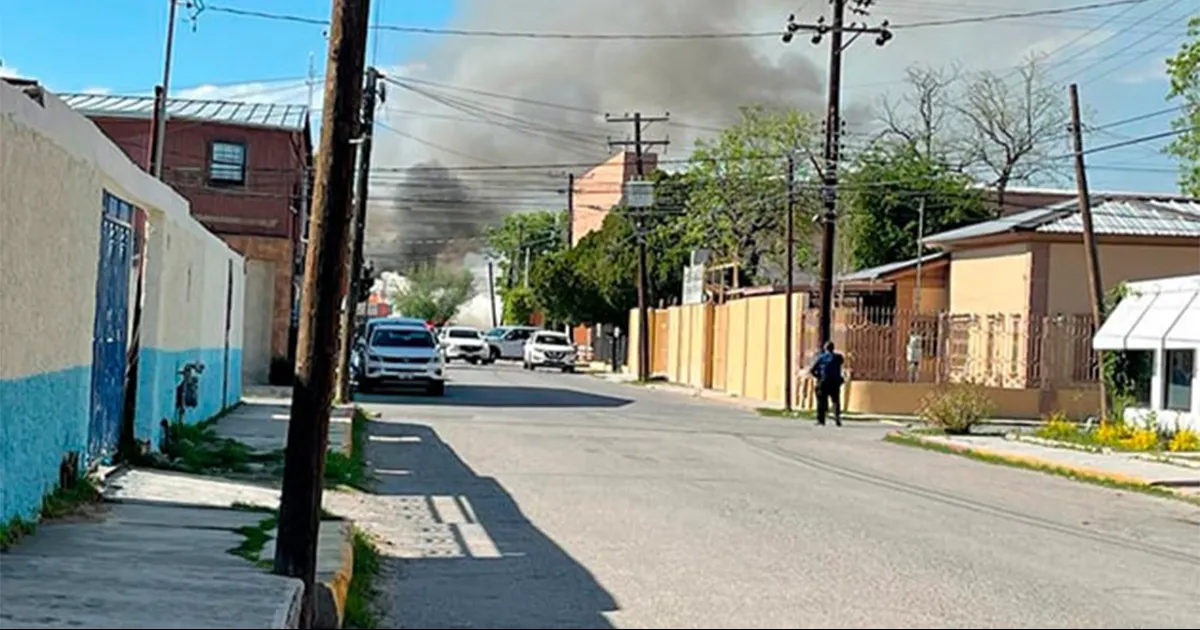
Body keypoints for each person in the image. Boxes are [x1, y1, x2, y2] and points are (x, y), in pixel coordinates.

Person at [809, 341, 844, 427]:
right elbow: (841, 363)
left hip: (823, 381)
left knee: (821, 401)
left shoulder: (821, 357)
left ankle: (821, 420)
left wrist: (818, 376)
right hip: (835, 381)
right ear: (833, 348)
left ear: (825, 348)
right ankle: (837, 418)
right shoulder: (838, 357)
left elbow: (812, 370)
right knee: (835, 400)